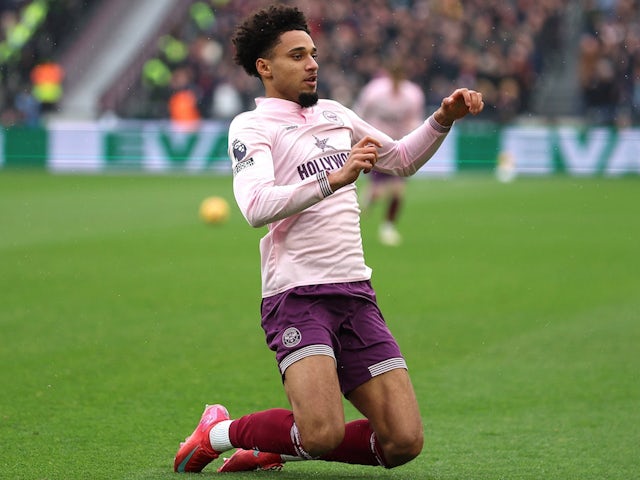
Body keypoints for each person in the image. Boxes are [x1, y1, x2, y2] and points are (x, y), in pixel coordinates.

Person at [174, 4, 483, 474]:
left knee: (403, 442)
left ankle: (280, 441)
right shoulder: (252, 127)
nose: (312, 63)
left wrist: (443, 118)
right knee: (321, 434)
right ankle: (218, 432)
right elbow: (256, 206)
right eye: (297, 55)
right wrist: (333, 180)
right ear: (265, 67)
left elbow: (399, 159)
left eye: (313, 53)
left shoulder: (337, 114)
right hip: (297, 295)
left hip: (355, 293)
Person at [353, 62, 425, 246]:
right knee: (379, 192)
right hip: (377, 144)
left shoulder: (413, 94)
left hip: (399, 146)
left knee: (398, 191)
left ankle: (388, 227)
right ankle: (371, 197)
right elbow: (360, 112)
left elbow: (415, 118)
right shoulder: (374, 91)